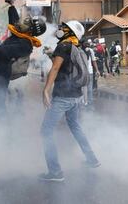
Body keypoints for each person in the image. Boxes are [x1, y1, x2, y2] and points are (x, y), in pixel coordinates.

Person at [40, 21, 100, 182]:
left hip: (63, 97)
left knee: (46, 131)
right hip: (76, 96)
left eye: (64, 28)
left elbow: (55, 69)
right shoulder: (77, 48)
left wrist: (46, 89)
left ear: (69, 32)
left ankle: (55, 172)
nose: (60, 30)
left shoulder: (63, 46)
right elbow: (64, 67)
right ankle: (92, 159)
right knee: (75, 126)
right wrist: (49, 55)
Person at [0, 15, 46, 125]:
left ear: (30, 30)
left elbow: (4, 50)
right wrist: (11, 6)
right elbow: (14, 20)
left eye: (26, 23)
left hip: (0, 76)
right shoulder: (18, 37)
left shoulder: (25, 43)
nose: (21, 22)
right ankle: (2, 130)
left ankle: (6, 135)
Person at [81, 40, 99, 108]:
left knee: (87, 88)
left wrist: (97, 70)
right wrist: (97, 70)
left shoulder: (88, 51)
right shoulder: (82, 50)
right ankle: (86, 102)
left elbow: (93, 61)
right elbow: (94, 61)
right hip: (85, 72)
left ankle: (87, 103)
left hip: (86, 72)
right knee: (86, 88)